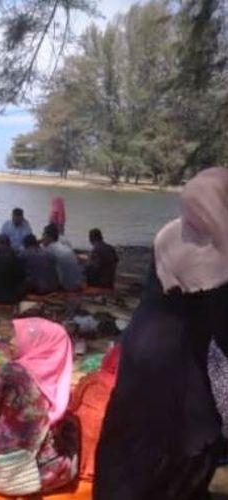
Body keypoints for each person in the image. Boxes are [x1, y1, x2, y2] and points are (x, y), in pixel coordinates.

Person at [95, 167, 228, 500]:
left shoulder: (168, 233)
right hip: (178, 356)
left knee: (131, 426)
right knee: (186, 431)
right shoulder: (222, 254)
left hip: (140, 346)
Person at [0, 318, 79, 496]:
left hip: (1, 462)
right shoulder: (58, 381)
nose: (11, 342)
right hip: (42, 467)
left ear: (37, 343)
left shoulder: (12, 372)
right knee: (71, 425)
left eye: (17, 337)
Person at [68, 343, 121, 481]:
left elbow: (75, 400)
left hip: (83, 423)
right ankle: (92, 470)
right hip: (109, 426)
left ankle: (80, 467)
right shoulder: (127, 386)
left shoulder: (94, 377)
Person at [42, 224, 82, 292]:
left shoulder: (49, 250)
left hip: (66, 287)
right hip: (78, 283)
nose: (42, 238)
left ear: (48, 236)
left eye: (43, 235)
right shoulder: (64, 246)